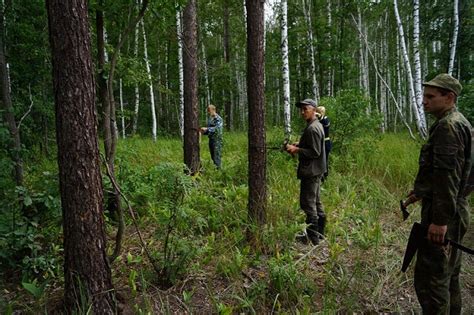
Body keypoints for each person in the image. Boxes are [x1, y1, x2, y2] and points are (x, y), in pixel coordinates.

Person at [403, 73, 472, 314]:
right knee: (449, 274)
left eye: (430, 97)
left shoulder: (448, 127)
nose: (424, 101)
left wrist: (440, 221)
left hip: (444, 213)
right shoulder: (460, 122)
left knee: (433, 280)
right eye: (423, 96)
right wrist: (421, 191)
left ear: (449, 97)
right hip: (454, 207)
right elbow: (462, 173)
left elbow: (448, 176)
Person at [286, 99, 327, 245]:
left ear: (314, 109)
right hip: (316, 170)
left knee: (308, 204)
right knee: (316, 202)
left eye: (306, 109)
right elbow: (313, 146)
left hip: (311, 172)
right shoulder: (315, 124)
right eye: (301, 109)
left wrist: (296, 150)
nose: (303, 112)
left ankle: (313, 239)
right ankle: (320, 235)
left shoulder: (313, 128)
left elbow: (315, 152)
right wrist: (300, 144)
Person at [200, 105, 224, 169]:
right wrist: (203, 132)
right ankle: (216, 169)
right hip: (211, 140)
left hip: (217, 140)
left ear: (213, 110)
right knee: (213, 156)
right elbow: (210, 130)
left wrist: (207, 129)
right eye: (208, 111)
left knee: (216, 156)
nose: (209, 113)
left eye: (209, 111)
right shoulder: (211, 119)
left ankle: (219, 171)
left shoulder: (218, 119)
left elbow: (217, 129)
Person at [316, 106, 332, 180]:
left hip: (326, 143)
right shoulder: (317, 120)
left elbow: (326, 124)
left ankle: (324, 177)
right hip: (319, 143)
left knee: (324, 161)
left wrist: (321, 117)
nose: (318, 114)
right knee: (318, 160)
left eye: (319, 112)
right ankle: (319, 176)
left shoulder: (326, 119)